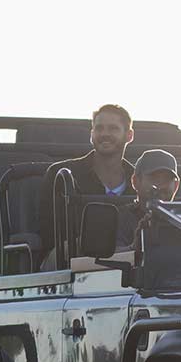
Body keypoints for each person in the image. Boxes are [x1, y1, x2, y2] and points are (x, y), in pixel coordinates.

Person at [42, 104, 136, 260]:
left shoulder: (139, 180)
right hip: (69, 261)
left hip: (128, 261)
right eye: (99, 128)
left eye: (113, 128)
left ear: (129, 135)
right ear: (92, 135)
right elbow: (48, 235)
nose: (105, 134)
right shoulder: (61, 175)